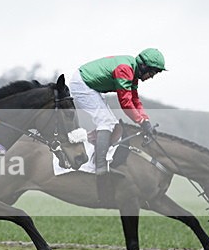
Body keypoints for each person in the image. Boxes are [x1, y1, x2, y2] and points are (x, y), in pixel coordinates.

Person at [68, 48, 166, 201]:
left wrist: (145, 120)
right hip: (82, 84)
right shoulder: (125, 70)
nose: (152, 76)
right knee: (105, 121)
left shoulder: (132, 72)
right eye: (152, 72)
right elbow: (125, 103)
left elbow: (135, 100)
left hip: (90, 86)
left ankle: (89, 148)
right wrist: (140, 121)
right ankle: (100, 167)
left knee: (112, 124)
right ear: (144, 66)